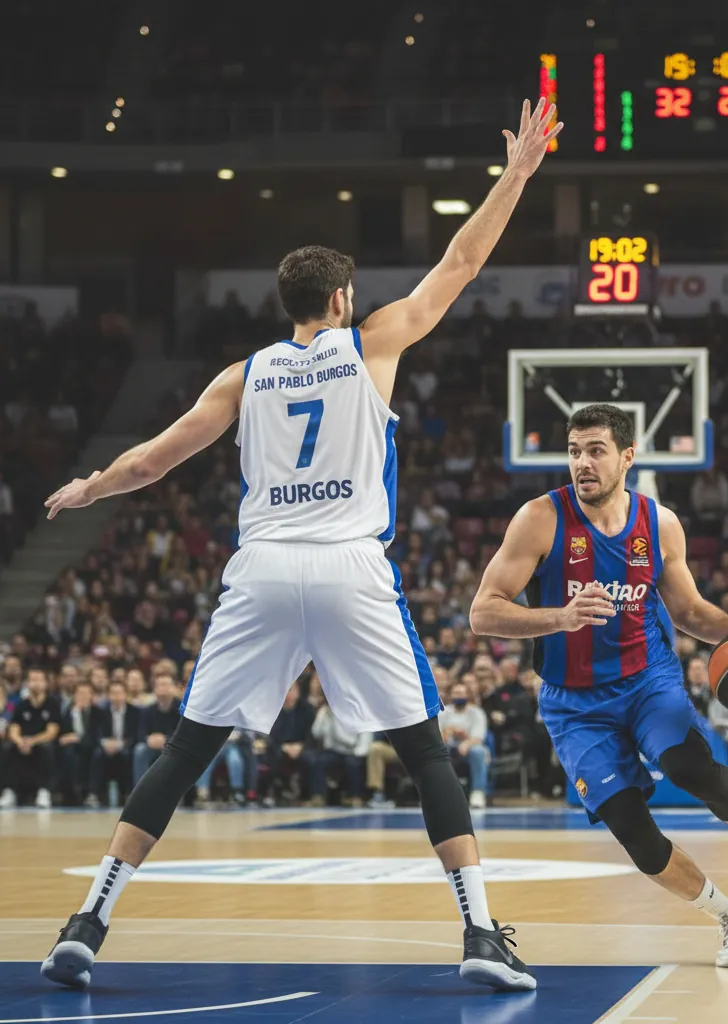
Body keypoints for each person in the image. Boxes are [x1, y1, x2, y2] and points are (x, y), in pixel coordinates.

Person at [39, 96, 562, 992]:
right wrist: (514, 175)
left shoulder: (242, 376)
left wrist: (90, 485)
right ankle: (480, 934)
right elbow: (462, 261)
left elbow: (152, 462)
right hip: (351, 564)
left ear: (287, 306)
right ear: (343, 299)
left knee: (186, 750)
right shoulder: (373, 342)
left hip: (264, 567)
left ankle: (88, 921)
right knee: (425, 751)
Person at [470, 404, 728, 971]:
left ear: (627, 457)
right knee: (634, 832)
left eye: (596, 451)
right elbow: (483, 613)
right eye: (574, 451)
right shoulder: (539, 518)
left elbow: (690, 612)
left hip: (646, 680)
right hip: (574, 704)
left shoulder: (659, 524)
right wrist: (559, 617)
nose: (582, 463)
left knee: (689, 767)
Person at [0, 668, 61, 808]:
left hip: (41, 742)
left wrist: (32, 741)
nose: (36, 683)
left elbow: (52, 732)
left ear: (46, 683)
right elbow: (13, 729)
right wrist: (19, 741)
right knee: (8, 747)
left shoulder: (52, 704)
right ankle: (9, 791)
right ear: (27, 683)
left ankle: (44, 791)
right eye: (32, 680)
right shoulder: (21, 705)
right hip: (23, 742)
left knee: (46, 748)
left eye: (39, 680)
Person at [439, 679, 490, 809]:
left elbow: (478, 737)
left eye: (462, 693)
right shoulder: (442, 712)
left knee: (479, 751)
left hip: (469, 748)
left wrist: (466, 742)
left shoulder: (477, 712)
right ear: (450, 695)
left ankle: (477, 793)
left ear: (467, 695)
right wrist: (448, 732)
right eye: (456, 693)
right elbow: (437, 738)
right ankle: (442, 793)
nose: (459, 696)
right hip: (448, 747)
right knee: (439, 751)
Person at [88, 680, 139, 808]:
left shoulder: (135, 712)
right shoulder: (101, 712)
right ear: (108, 695)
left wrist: (120, 744)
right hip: (106, 747)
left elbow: (136, 735)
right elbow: (96, 734)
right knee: (98, 754)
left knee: (126, 754)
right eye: (113, 693)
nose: (116, 696)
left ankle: (128, 793)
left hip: (125, 746)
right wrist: (105, 743)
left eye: (119, 693)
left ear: (125, 694)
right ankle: (93, 794)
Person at [58, 681, 99, 806]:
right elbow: (63, 736)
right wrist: (76, 714)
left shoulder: (97, 713)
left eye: (86, 693)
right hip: (73, 749)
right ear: (74, 695)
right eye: (80, 693)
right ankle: (73, 792)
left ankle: (90, 793)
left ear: (91, 695)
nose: (83, 696)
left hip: (91, 746)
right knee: (69, 753)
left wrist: (79, 738)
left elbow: (96, 734)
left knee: (96, 753)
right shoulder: (68, 712)